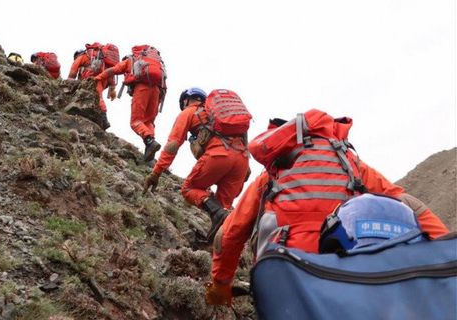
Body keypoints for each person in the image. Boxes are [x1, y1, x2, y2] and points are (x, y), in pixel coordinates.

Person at [205, 109, 449, 306]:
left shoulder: (274, 173)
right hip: (345, 274)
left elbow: (231, 233)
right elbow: (408, 205)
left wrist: (221, 284)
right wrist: (447, 251)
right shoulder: (351, 164)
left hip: (284, 271)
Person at [144, 88, 251, 242]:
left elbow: (173, 144)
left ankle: (218, 220)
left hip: (218, 155)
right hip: (242, 160)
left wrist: (156, 173)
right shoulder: (224, 116)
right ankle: (213, 247)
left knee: (189, 189)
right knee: (222, 208)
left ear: (187, 100)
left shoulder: (189, 112)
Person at [94, 45, 166, 162]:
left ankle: (149, 141)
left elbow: (113, 70)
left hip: (142, 89)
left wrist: (97, 77)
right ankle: (149, 146)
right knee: (148, 122)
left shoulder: (130, 60)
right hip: (157, 91)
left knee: (135, 122)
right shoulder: (156, 63)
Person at [67, 43, 118, 130]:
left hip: (93, 79)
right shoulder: (102, 59)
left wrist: (68, 84)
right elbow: (110, 75)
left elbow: (72, 73)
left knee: (98, 97)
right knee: (97, 95)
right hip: (103, 79)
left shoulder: (82, 57)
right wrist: (112, 89)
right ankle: (98, 116)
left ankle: (104, 119)